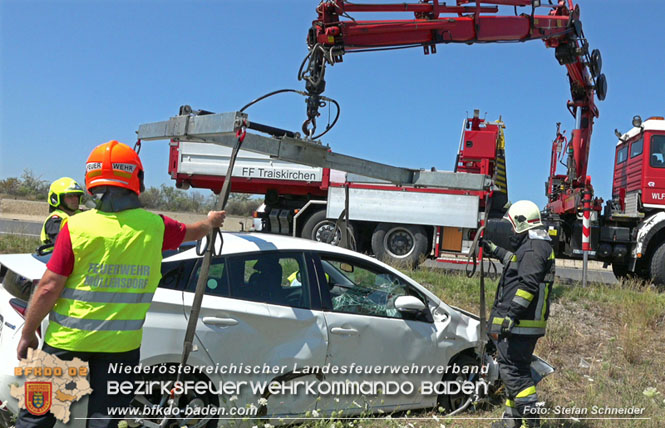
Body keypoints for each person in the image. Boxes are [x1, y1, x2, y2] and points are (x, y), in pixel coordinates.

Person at [16, 140, 226, 428]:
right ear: (136, 179)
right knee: (105, 421)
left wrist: (28, 333)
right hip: (122, 347)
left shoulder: (75, 227)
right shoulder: (156, 226)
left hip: (65, 343)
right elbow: (195, 231)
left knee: (36, 417)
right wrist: (211, 221)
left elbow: (49, 287)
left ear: (91, 181)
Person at [483, 200, 555, 428]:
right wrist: (494, 250)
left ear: (522, 223)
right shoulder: (533, 246)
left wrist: (511, 316)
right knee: (513, 372)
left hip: (520, 324)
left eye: (513, 225)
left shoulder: (534, 249)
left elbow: (528, 286)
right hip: (522, 324)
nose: (511, 230)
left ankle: (530, 423)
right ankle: (511, 422)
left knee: (514, 374)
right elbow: (515, 265)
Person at [40, 177, 84, 246]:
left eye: (77, 195)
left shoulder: (82, 215)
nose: (75, 199)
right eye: (70, 196)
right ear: (56, 198)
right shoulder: (55, 221)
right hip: (52, 256)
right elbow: (63, 245)